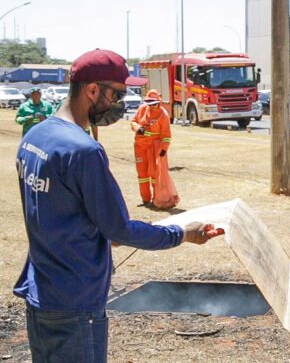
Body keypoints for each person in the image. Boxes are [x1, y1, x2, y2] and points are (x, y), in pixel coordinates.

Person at [13, 49, 217, 363]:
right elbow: (118, 230)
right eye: (117, 94)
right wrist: (182, 233)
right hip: (75, 303)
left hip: (41, 293)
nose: (120, 105)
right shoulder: (84, 151)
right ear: (92, 90)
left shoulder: (35, 139)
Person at [131, 89, 174, 207]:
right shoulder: (142, 109)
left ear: (158, 102)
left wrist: (164, 149)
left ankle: (157, 198)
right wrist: (138, 128)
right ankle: (145, 199)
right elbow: (133, 122)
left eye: (153, 103)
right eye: (149, 103)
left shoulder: (163, 115)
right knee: (142, 174)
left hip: (154, 148)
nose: (151, 106)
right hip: (140, 146)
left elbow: (166, 135)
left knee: (154, 174)